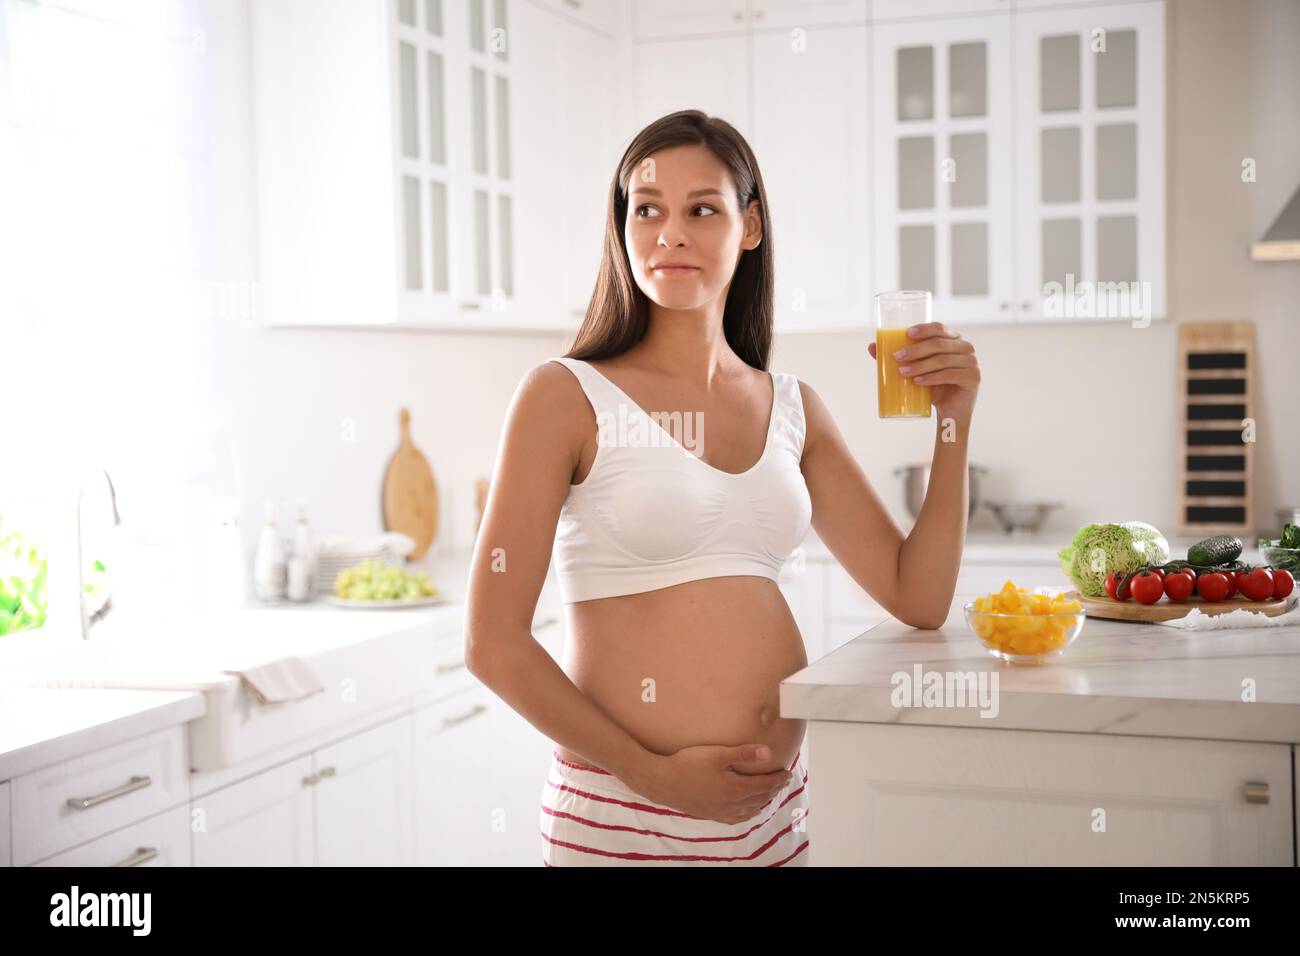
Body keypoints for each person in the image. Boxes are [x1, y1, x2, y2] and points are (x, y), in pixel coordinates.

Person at [464, 109, 981, 866]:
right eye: (648, 209)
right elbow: (492, 643)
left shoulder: (793, 407)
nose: (670, 233)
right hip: (627, 814)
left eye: (702, 209)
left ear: (749, 226)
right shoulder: (563, 395)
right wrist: (655, 777)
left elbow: (918, 596)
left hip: (777, 815)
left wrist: (953, 421)